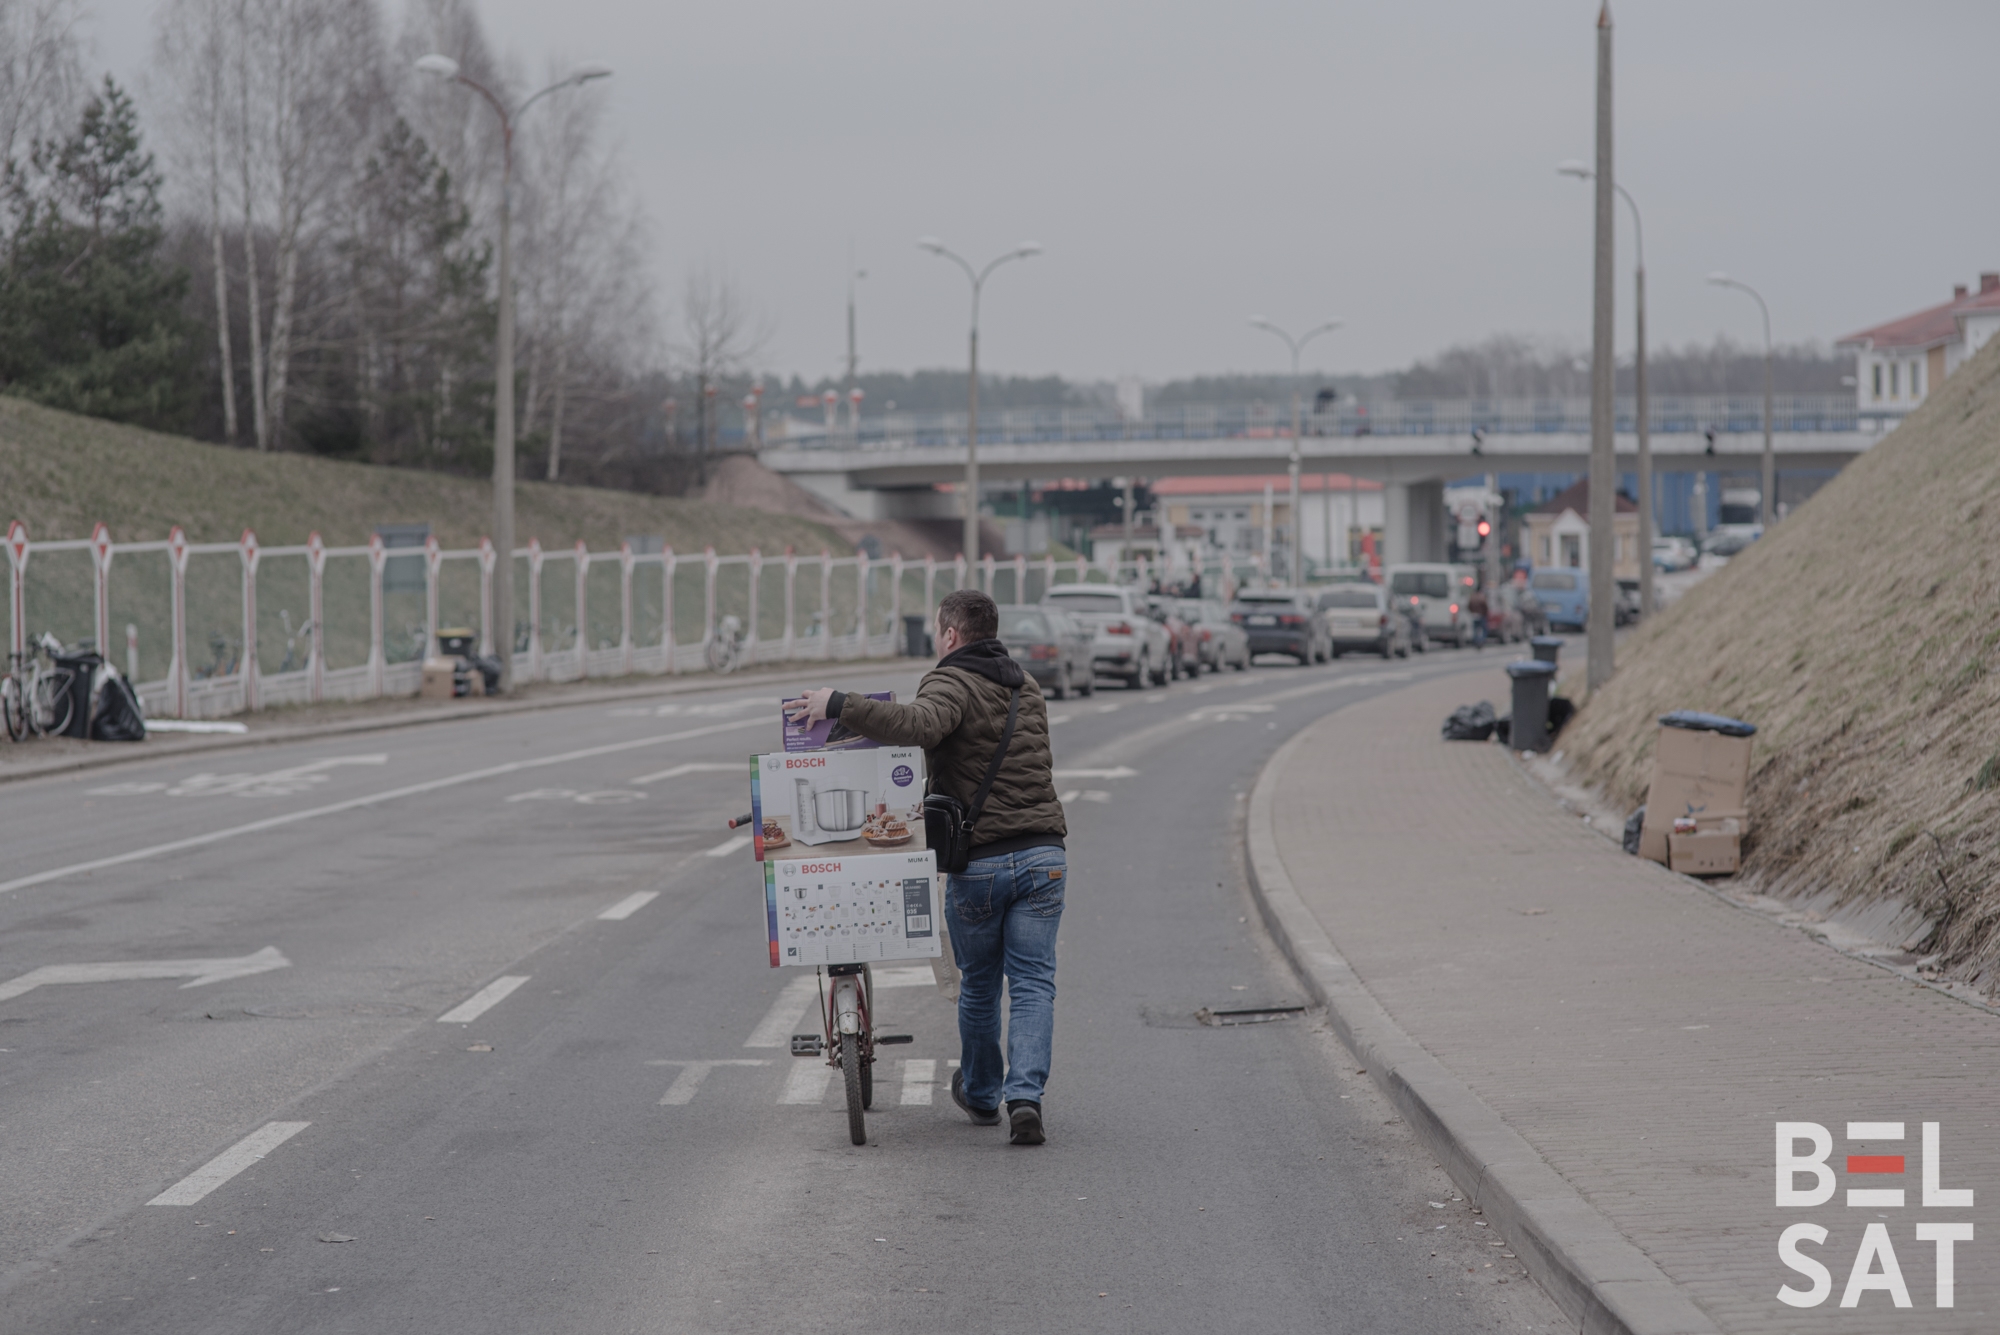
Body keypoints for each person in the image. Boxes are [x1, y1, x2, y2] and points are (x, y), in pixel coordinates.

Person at [784, 589, 1066, 1146]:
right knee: (1034, 983)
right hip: (1045, 855)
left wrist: (839, 704)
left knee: (980, 984)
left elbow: (918, 724)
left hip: (982, 861)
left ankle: (982, 1093)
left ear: (951, 634)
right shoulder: (1026, 686)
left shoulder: (951, 680)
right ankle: (1025, 1099)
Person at [1468, 587, 1489, 651]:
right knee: (1484, 629)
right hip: (1481, 615)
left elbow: (1469, 606)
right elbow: (1485, 606)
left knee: (1475, 630)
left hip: (1474, 615)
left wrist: (1472, 612)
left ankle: (1476, 641)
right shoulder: (1481, 597)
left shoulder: (1472, 597)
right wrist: (1485, 613)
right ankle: (1481, 641)